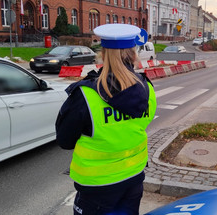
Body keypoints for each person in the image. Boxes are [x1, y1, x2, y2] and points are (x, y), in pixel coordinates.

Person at [56, 23, 157, 215]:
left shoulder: (85, 95)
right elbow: (145, 121)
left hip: (97, 187)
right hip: (134, 178)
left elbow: (64, 140)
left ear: (103, 54)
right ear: (134, 54)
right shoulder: (147, 88)